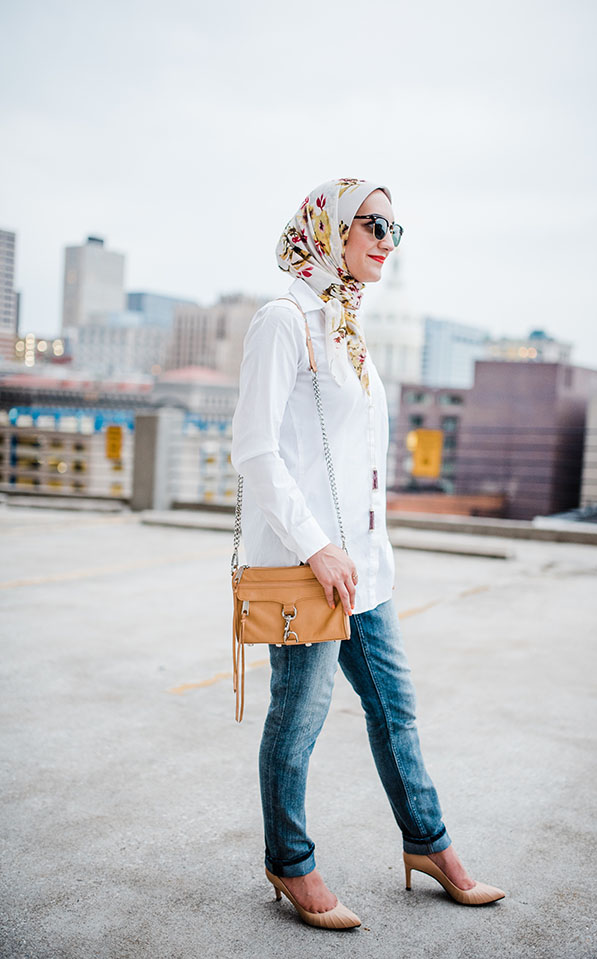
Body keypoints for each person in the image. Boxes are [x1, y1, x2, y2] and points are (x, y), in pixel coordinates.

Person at [231, 178, 505, 929]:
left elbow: (354, 461)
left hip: (366, 571)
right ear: (329, 227)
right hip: (310, 568)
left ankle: (430, 845)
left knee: (396, 711)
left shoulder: (345, 327)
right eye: (373, 223)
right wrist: (319, 548)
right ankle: (290, 863)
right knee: (300, 717)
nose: (387, 239)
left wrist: (366, 551)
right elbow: (254, 451)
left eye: (395, 228)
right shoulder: (284, 320)